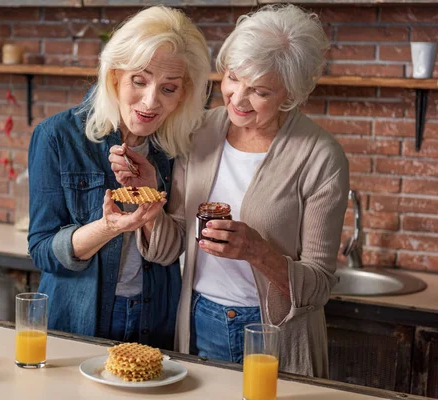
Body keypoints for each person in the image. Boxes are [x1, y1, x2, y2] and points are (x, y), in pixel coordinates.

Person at [120, 4, 349, 377]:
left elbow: (318, 286)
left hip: (273, 336)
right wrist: (150, 204)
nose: (237, 99)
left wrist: (257, 252)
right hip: (197, 322)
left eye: (259, 91)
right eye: (232, 77)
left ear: (289, 93)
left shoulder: (320, 156)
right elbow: (170, 245)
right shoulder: (200, 131)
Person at [27, 6, 211, 350]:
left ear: (183, 93)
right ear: (114, 76)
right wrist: (109, 226)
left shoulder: (178, 147)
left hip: (156, 318)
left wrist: (152, 196)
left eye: (168, 89)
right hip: (77, 322)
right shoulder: (57, 136)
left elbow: (172, 250)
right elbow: (42, 251)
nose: (150, 102)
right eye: (138, 81)